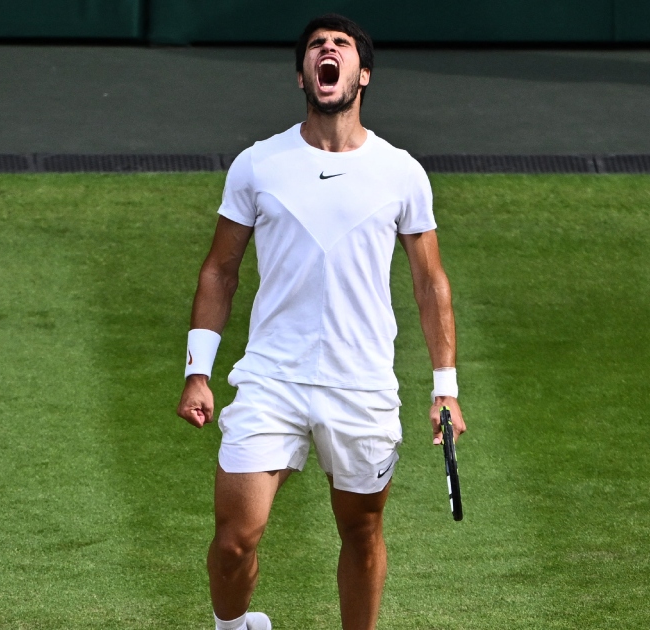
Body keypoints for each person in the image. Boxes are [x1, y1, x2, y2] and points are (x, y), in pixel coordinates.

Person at [175, 14, 466, 630]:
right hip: (271, 380)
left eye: (340, 46)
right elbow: (219, 271)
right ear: (302, 73)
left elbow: (429, 282)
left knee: (361, 531)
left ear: (363, 74)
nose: (326, 52)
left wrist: (446, 389)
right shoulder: (257, 165)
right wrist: (198, 371)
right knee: (234, 540)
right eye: (315, 46)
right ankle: (232, 627)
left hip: (360, 385)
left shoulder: (401, 171)